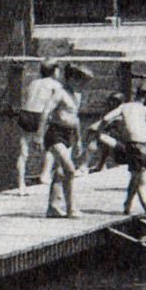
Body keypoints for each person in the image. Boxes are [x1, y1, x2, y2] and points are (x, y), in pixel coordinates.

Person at [86, 87, 146, 228]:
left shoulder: (125, 107)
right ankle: (127, 205)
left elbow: (106, 118)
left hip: (136, 147)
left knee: (141, 184)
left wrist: (98, 133)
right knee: (136, 177)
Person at [39, 63, 89, 218]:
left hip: (69, 134)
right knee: (70, 170)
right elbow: (45, 112)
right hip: (55, 134)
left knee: (61, 172)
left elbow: (75, 118)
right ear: (71, 78)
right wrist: (39, 136)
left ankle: (53, 207)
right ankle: (71, 209)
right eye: (80, 81)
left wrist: (79, 140)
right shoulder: (59, 93)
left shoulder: (77, 95)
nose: (82, 85)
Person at [16, 59, 65, 193]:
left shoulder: (33, 83)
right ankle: (45, 174)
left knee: (23, 151)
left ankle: (21, 185)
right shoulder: (56, 85)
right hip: (40, 115)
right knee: (51, 146)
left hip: (26, 114)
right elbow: (54, 106)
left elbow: (27, 98)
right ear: (55, 71)